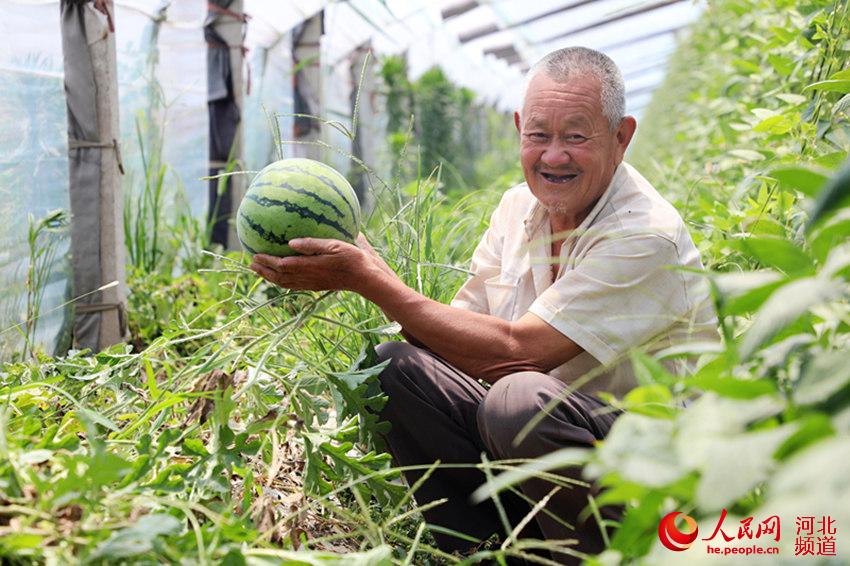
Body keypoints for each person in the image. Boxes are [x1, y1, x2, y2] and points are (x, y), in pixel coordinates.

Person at [250, 46, 717, 564]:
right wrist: (369, 270)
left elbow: (520, 352)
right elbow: (448, 340)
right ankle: (487, 549)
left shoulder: (645, 235)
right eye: (538, 134)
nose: (553, 156)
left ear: (622, 136)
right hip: (543, 445)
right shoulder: (517, 208)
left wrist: (371, 283)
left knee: (516, 398)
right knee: (393, 368)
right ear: (519, 128)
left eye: (576, 136)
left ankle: (588, 556)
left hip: (645, 464)